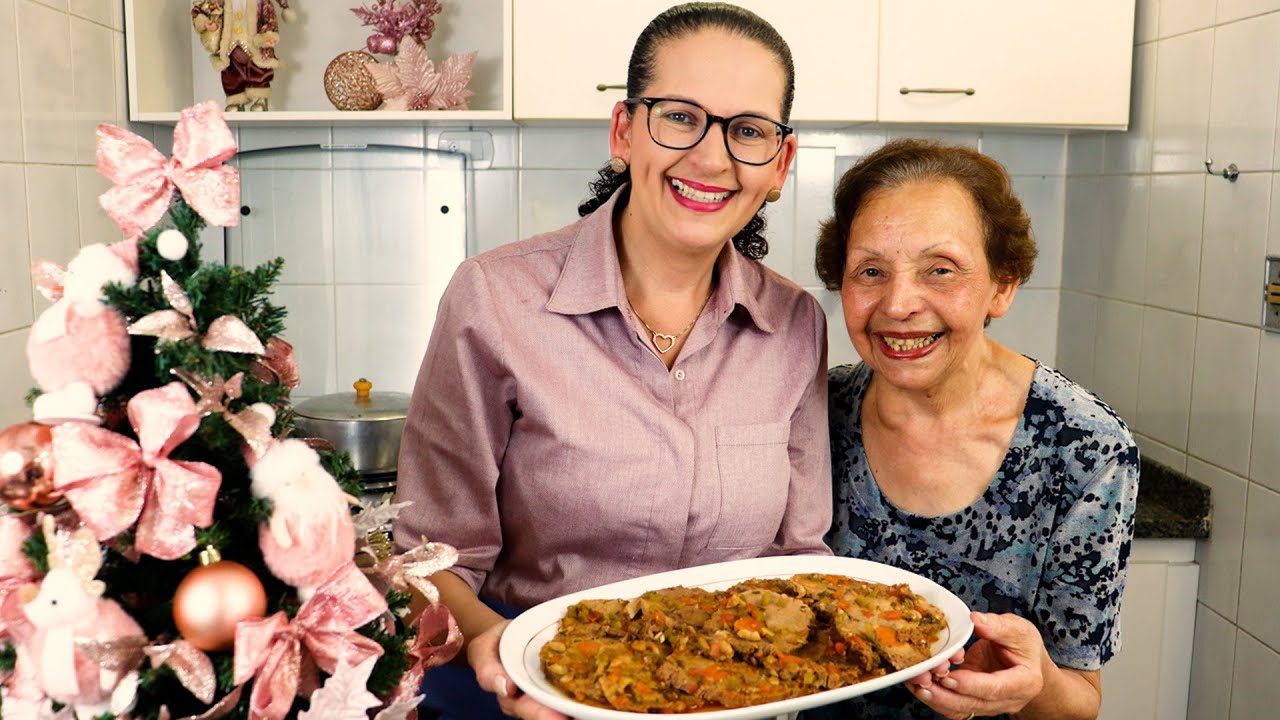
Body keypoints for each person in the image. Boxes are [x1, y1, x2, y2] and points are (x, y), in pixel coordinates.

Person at [393, 4, 832, 719]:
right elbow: (430, 561)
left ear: (780, 165)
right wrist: (490, 644)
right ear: (625, 131)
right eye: (681, 117)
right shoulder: (496, 298)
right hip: (527, 692)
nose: (713, 158)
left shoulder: (795, 325)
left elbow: (800, 555)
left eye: (748, 131)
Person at [803, 139, 1139, 720]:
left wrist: (1031, 685)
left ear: (1002, 285)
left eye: (940, 270)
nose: (899, 303)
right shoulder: (810, 412)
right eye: (870, 271)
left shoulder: (1086, 451)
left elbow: (1079, 703)